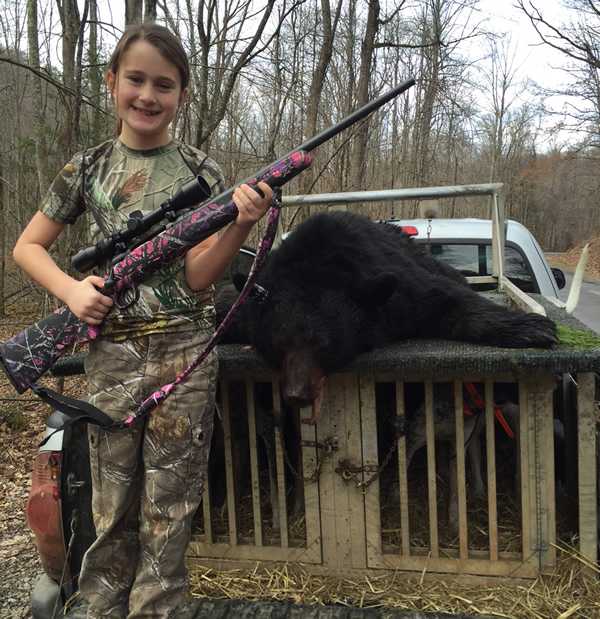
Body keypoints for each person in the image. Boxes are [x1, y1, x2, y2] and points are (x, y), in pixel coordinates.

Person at [13, 23, 272, 618]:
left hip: (186, 358)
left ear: (182, 94)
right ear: (111, 83)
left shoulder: (202, 172)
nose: (148, 96)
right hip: (112, 359)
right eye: (136, 79)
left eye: (164, 84)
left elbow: (199, 278)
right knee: (110, 508)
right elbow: (28, 246)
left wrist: (241, 223)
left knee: (170, 510)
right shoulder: (88, 168)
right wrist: (72, 292)